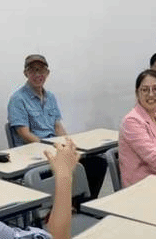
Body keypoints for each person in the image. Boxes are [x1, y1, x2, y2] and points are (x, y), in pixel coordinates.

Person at [7, 54, 107, 199]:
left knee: (98, 162)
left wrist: (69, 145)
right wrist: (51, 149)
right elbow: (24, 134)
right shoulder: (18, 99)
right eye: (33, 70)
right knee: (74, 167)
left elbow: (57, 126)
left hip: (54, 149)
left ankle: (79, 204)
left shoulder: (50, 97)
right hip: (34, 155)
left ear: (47, 73)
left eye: (41, 70)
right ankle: (68, 204)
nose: (38, 74)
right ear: (25, 73)